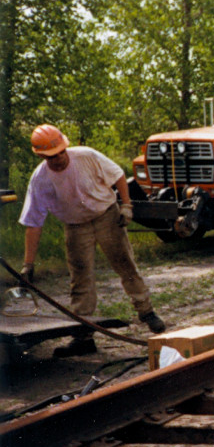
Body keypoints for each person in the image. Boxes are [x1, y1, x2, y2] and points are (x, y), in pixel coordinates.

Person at [19, 125, 165, 357]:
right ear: (39, 155)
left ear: (65, 147)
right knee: (80, 279)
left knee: (125, 265)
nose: (57, 159)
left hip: (106, 215)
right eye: (50, 157)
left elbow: (117, 174)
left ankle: (147, 312)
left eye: (60, 153)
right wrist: (29, 263)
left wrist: (126, 205)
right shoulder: (40, 180)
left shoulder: (87, 156)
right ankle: (83, 336)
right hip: (75, 226)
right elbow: (34, 222)